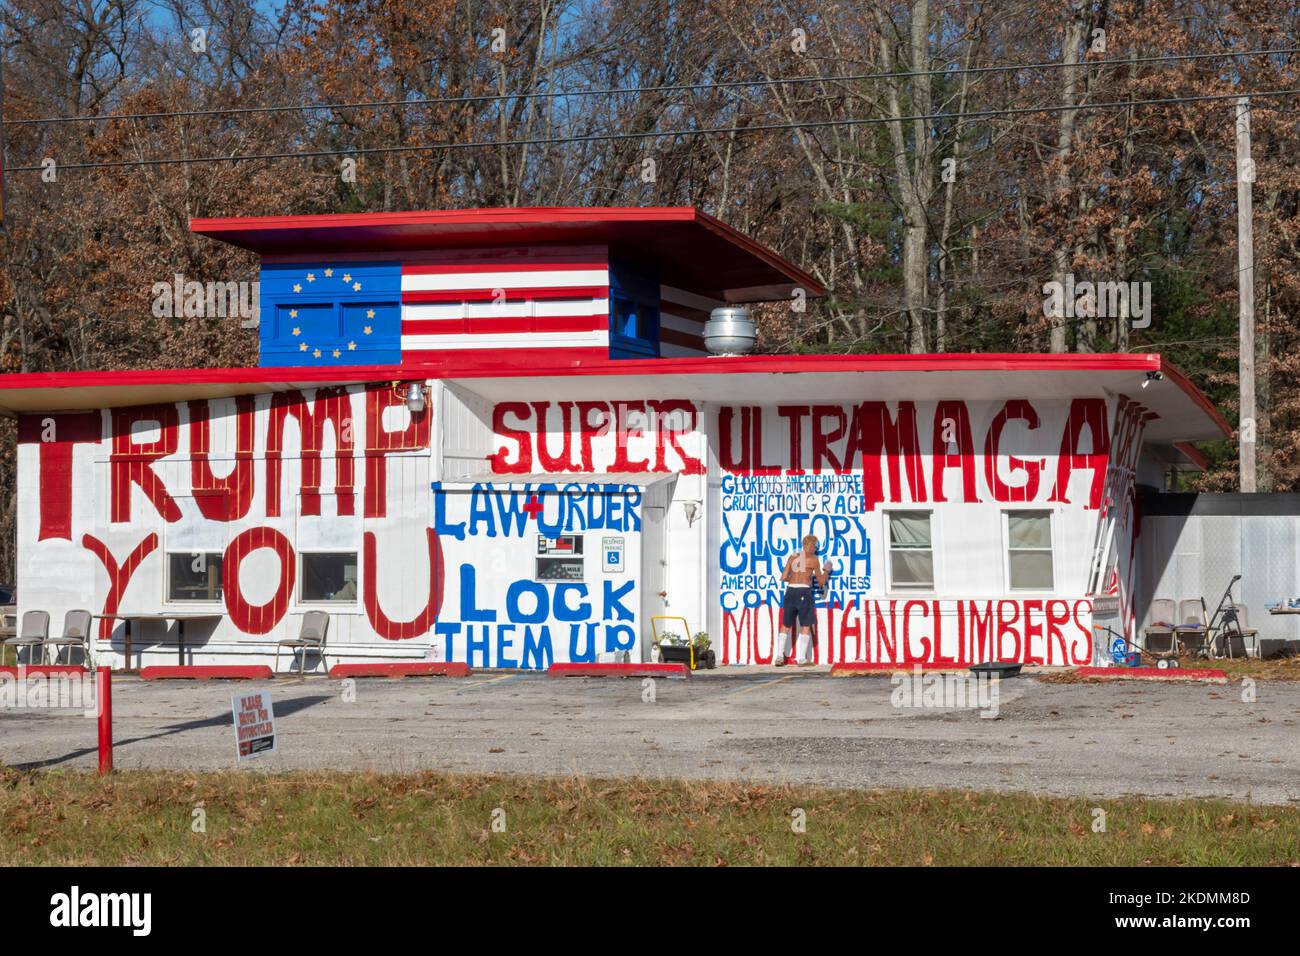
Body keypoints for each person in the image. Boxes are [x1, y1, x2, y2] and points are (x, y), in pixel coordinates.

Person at [776, 534, 834, 666]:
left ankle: (779, 656)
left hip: (790, 591)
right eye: (815, 546)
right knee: (806, 625)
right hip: (803, 591)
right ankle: (801, 659)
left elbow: (784, 577)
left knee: (785, 625)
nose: (816, 549)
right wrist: (827, 570)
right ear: (810, 545)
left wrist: (795, 578)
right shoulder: (813, 560)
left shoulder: (792, 557)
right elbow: (820, 582)